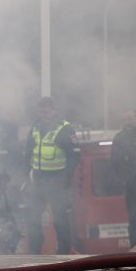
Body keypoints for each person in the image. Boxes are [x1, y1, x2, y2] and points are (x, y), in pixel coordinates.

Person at [24, 96, 80, 255]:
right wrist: (25, 176)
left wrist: (65, 178)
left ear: (54, 110)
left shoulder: (64, 128)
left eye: (46, 109)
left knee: (60, 220)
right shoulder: (35, 127)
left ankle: (63, 254)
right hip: (39, 180)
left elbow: (75, 156)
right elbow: (28, 152)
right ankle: (35, 252)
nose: (43, 112)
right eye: (41, 109)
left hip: (58, 181)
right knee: (33, 218)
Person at [111, 110, 136, 248]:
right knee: (134, 219)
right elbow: (115, 162)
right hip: (132, 187)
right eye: (125, 120)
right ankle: (135, 250)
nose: (128, 123)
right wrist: (125, 179)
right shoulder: (119, 138)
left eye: (130, 119)